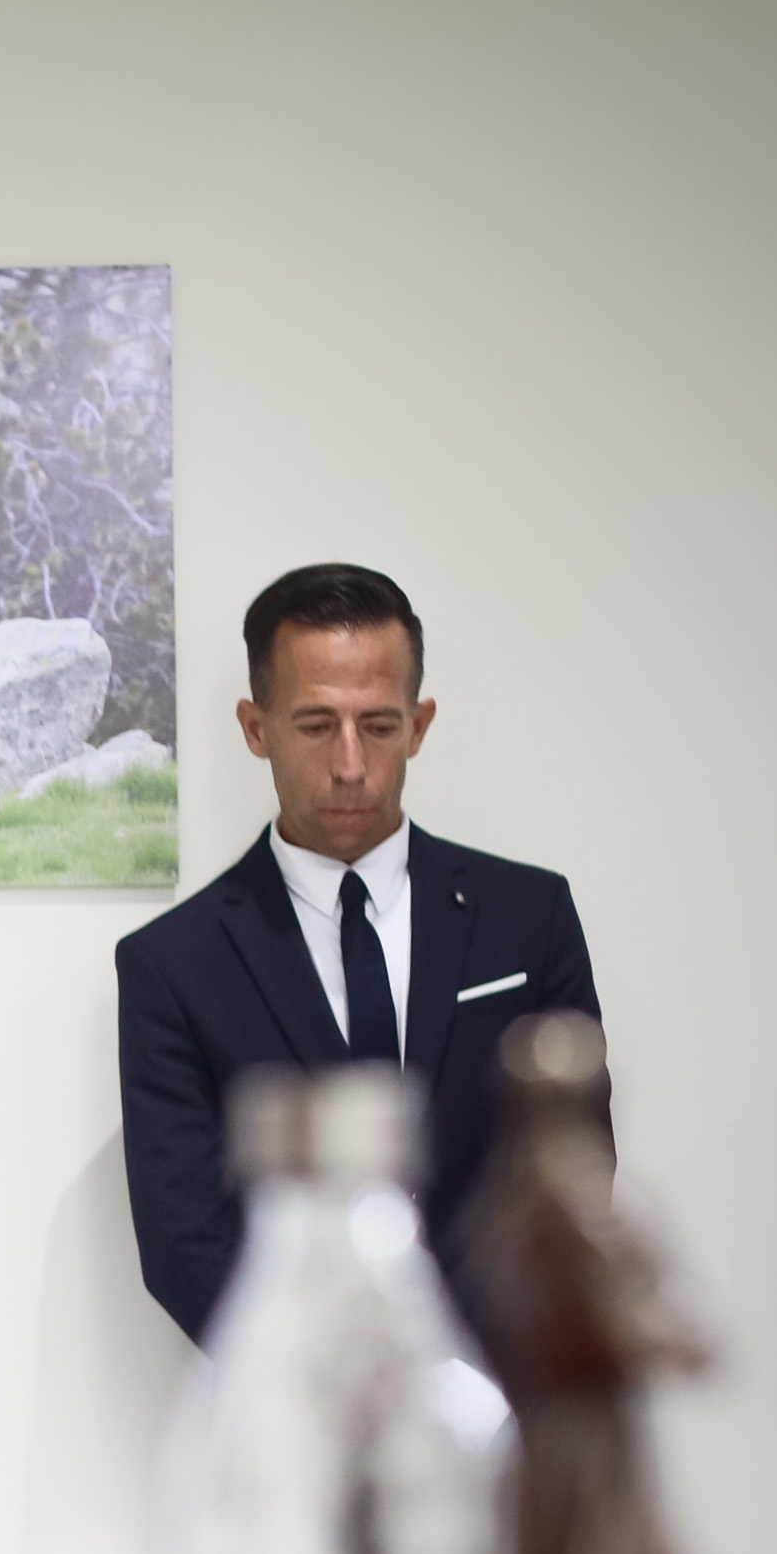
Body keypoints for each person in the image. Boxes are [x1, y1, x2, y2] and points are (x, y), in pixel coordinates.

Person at [112, 563, 605, 1346]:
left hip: (503, 1400)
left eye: (377, 725)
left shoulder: (527, 918)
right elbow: (183, 1242)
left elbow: (570, 1169)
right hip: (293, 1422)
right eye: (314, 726)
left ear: (418, 724)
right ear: (254, 726)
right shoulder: (172, 966)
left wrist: (464, 1391)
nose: (348, 765)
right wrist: (325, 1401)